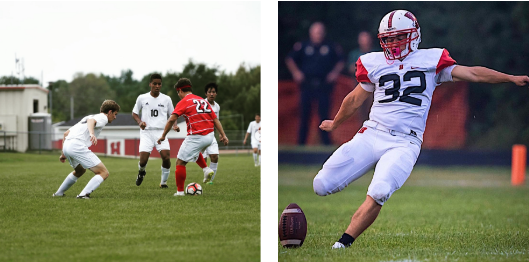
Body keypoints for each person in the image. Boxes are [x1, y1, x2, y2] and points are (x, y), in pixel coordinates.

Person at [311, 10, 529, 249]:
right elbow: (354, 99)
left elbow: (473, 73)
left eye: (399, 37)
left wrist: (510, 78)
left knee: (380, 190)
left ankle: (342, 244)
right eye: (388, 38)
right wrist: (336, 122)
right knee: (320, 185)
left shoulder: (431, 60)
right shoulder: (374, 62)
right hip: (372, 133)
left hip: (405, 142)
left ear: (414, 35)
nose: (393, 43)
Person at [157, 78, 229, 196]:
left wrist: (163, 135)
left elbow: (172, 119)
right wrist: (223, 135)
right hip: (210, 136)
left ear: (180, 91)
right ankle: (206, 169)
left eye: (178, 93)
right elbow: (215, 119)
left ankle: (180, 192)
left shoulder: (184, 101)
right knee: (194, 152)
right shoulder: (202, 100)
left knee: (180, 162)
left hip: (197, 136)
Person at [285, 21, 345, 145]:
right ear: (311, 33)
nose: (318, 35)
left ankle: (326, 143)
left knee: (324, 115)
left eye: (320, 32)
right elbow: (290, 59)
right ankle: (301, 143)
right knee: (305, 114)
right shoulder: (303, 46)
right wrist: (296, 73)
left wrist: (334, 73)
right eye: (316, 32)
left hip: (324, 85)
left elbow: (341, 60)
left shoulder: (330, 46)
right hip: (307, 85)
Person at [53, 100, 120, 199]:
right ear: (109, 112)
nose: (115, 117)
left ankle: (58, 193)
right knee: (103, 172)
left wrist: (63, 153)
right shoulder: (103, 117)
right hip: (76, 145)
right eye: (115, 114)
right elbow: (91, 121)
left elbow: (66, 133)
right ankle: (83, 195)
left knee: (80, 171)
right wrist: (92, 133)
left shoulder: (88, 117)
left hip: (68, 144)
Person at [132, 73, 184, 188]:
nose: (157, 86)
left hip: (161, 132)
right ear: (150, 84)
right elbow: (134, 113)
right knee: (143, 161)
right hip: (146, 133)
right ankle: (141, 172)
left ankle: (163, 183)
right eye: (154, 84)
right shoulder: (142, 98)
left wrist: (175, 125)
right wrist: (140, 122)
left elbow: (173, 114)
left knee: (166, 157)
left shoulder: (166, 99)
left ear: (161, 85)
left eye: (159, 84)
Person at [200, 82, 221, 184]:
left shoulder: (217, 106)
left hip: (211, 135)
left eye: (213, 92)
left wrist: (221, 134)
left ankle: (210, 181)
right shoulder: (201, 104)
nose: (212, 94)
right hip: (201, 135)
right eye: (209, 92)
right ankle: (206, 173)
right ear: (206, 93)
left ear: (216, 93)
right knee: (203, 159)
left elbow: (216, 121)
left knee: (215, 156)